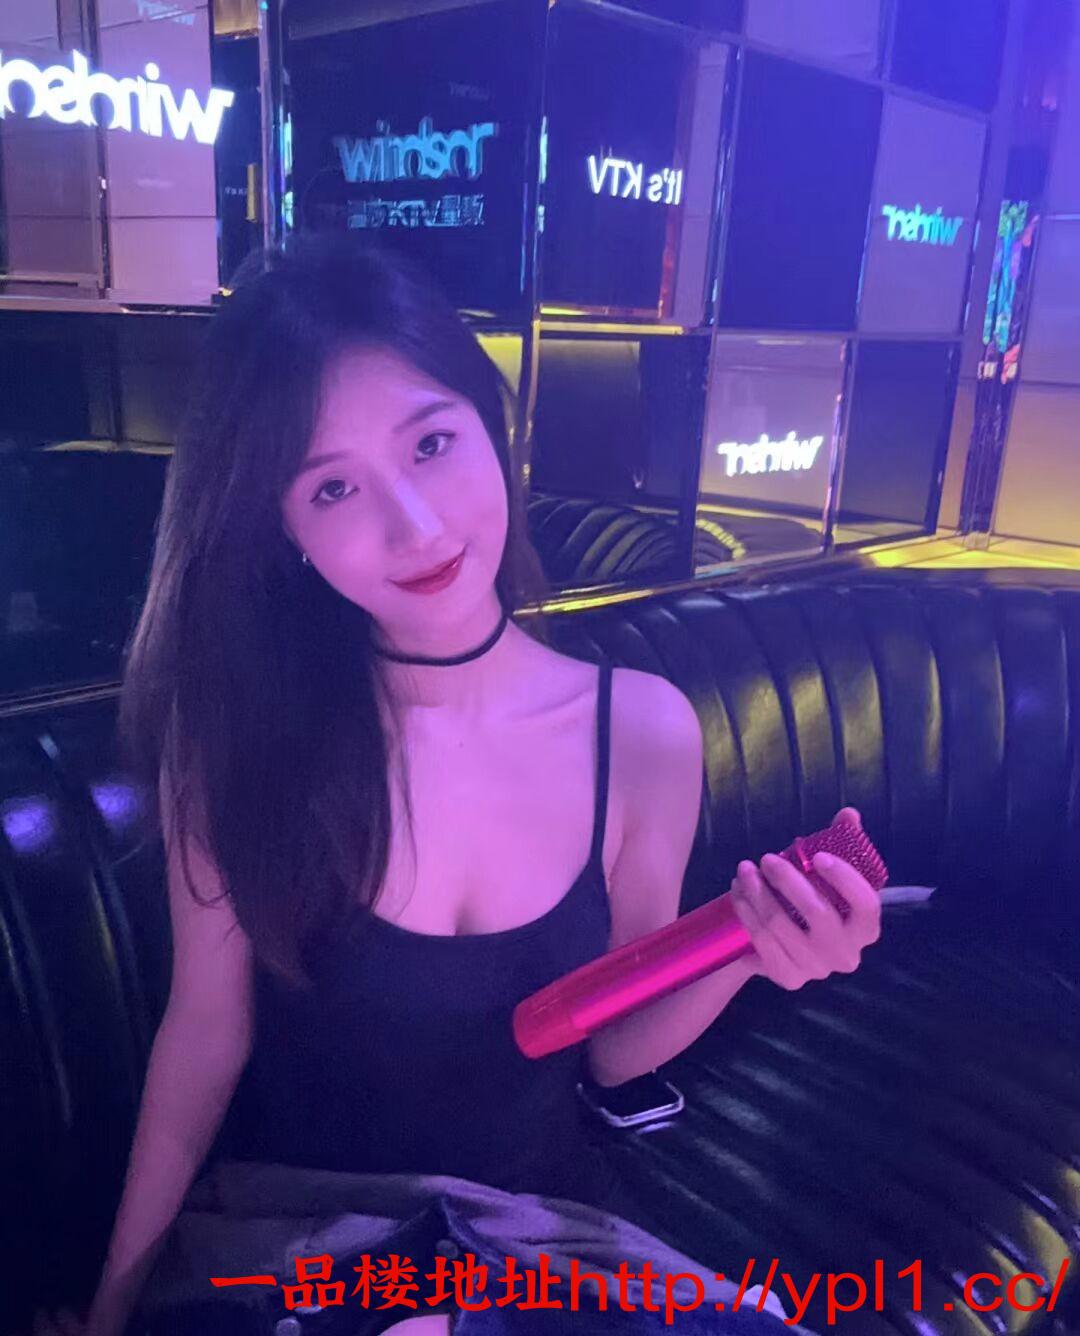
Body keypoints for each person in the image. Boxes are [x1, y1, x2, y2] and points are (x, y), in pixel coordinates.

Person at [27, 233, 881, 1336]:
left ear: (495, 425)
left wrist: (754, 951)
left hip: (528, 1246)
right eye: (334, 486)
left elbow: (612, 1042)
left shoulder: (643, 733)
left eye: (432, 443)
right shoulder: (235, 734)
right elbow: (204, 1037)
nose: (416, 526)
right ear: (284, 529)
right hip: (307, 1252)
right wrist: (114, 1302)